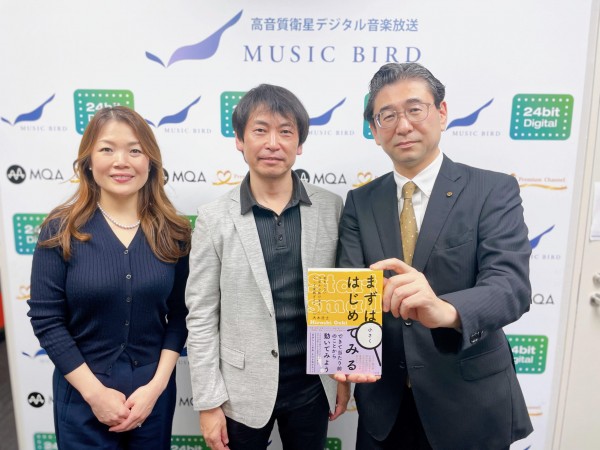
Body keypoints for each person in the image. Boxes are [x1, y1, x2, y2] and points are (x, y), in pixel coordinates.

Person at [335, 63, 533, 450]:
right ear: (374, 130)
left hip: (467, 400)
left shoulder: (492, 190)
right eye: (387, 115)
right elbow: (350, 290)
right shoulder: (361, 202)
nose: (403, 125)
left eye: (415, 109)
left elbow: (510, 287)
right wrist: (344, 360)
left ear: (441, 113)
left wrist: (444, 310)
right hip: (385, 403)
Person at [185, 84, 350, 450]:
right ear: (240, 140)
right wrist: (209, 402)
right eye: (260, 130)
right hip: (240, 390)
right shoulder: (214, 218)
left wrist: (342, 375)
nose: (273, 143)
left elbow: (342, 297)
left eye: (285, 131)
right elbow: (201, 315)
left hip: (313, 383)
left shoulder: (331, 207)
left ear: (299, 143)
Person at [28, 106, 191, 449]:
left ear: (151, 162)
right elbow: (47, 320)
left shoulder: (173, 232)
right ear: (88, 161)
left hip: (152, 396)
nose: (121, 161)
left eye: (134, 150)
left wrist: (156, 388)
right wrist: (95, 394)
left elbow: (181, 315)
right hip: (83, 394)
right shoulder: (60, 230)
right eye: (107, 149)